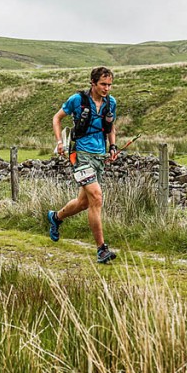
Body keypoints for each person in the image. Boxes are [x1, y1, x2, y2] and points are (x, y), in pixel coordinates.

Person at [46, 66, 119, 264]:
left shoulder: (111, 103)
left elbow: (111, 127)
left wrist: (113, 147)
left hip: (99, 156)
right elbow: (57, 118)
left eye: (110, 85)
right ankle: (101, 249)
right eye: (103, 84)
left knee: (84, 203)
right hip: (80, 155)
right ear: (93, 83)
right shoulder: (77, 100)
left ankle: (56, 217)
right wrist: (60, 141)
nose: (107, 88)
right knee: (96, 197)